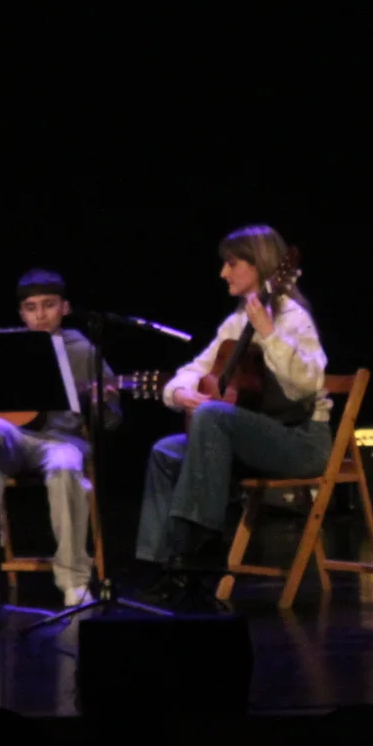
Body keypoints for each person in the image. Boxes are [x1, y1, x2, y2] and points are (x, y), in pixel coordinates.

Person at [137, 225, 332, 605]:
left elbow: (308, 386)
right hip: (252, 442)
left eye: (231, 264)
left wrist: (269, 334)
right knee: (165, 451)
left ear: (258, 265)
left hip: (299, 441)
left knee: (214, 416)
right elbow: (196, 367)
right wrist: (180, 392)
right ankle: (166, 565)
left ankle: (201, 553)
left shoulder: (292, 317)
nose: (223, 273)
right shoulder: (236, 322)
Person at [0, 269, 122, 607]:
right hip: (16, 438)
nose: (40, 315)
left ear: (64, 308)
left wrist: (101, 403)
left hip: (62, 440)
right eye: (31, 308)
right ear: (21, 313)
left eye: (48, 305)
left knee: (66, 463)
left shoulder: (82, 350)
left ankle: (74, 580)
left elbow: (111, 421)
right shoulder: (7, 348)